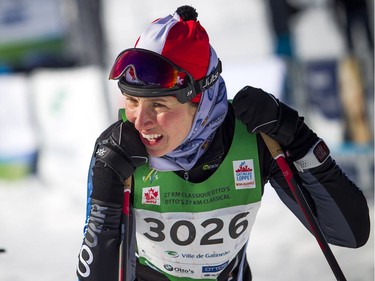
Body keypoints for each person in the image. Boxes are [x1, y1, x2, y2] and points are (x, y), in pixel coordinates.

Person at [76, 5, 370, 281]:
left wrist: (300, 138)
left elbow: (349, 234)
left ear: (200, 102)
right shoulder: (120, 150)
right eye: (132, 101)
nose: (140, 122)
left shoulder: (252, 140)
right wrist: (106, 180)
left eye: (159, 105)